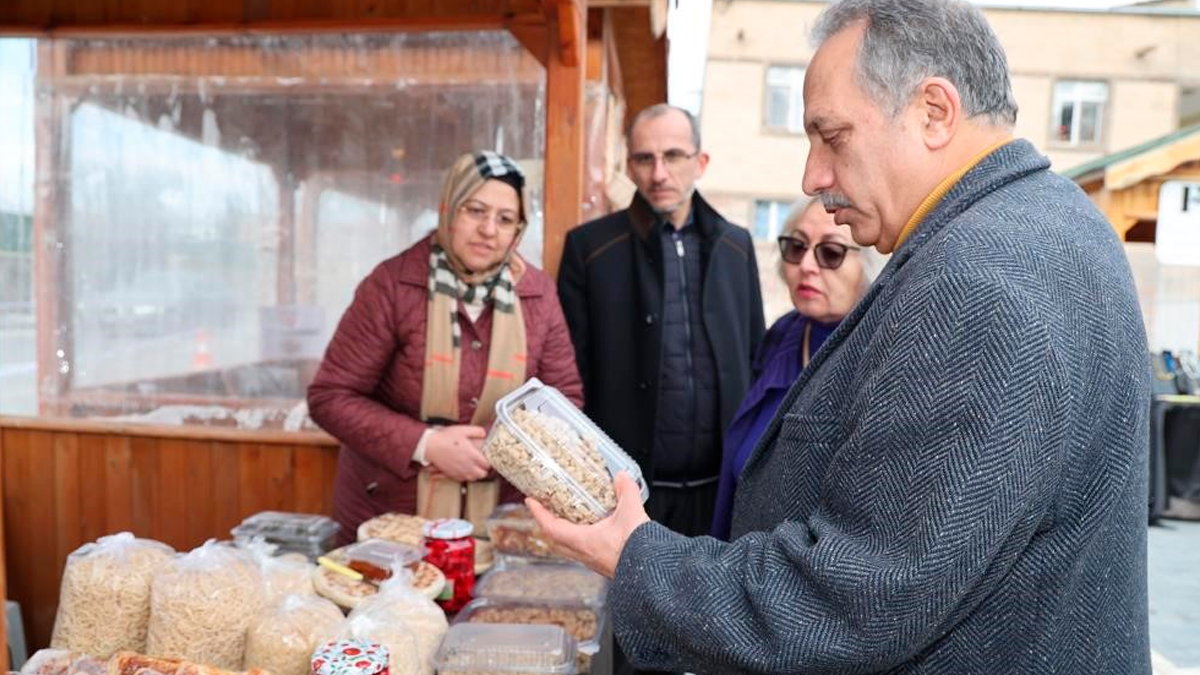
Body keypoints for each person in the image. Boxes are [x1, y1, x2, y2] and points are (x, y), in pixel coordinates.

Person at [530, 1, 1153, 673]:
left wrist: (636, 557)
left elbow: (852, 602)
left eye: (832, 136)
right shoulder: (1060, 221)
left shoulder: (977, 279)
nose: (812, 177)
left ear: (934, 112)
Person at [308, 151, 582, 545]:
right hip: (391, 522)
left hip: (497, 524)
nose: (489, 229)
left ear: (517, 231)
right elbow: (330, 396)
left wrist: (499, 447)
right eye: (475, 210)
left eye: (505, 219)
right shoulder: (392, 285)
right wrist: (428, 445)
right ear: (448, 210)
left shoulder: (538, 294)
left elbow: (563, 400)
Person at [557, 103, 765, 538]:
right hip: (626, 494)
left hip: (720, 496)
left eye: (673, 156)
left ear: (700, 162)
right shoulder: (590, 250)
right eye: (644, 159)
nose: (659, 173)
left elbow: (753, 360)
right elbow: (570, 380)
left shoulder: (736, 247)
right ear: (628, 166)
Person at [711, 198, 887, 540]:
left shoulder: (880, 356)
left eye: (831, 253)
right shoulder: (785, 334)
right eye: (796, 246)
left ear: (870, 265)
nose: (806, 265)